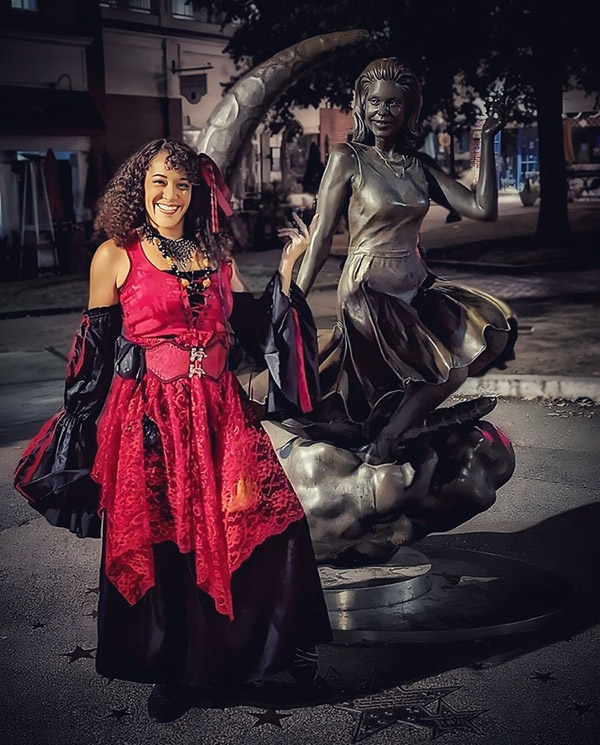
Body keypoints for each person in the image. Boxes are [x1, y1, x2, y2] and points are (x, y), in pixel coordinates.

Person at [14, 138, 331, 723]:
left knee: (266, 521)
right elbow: (94, 350)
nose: (170, 194)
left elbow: (255, 330)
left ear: (196, 192)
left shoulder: (214, 253)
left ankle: (273, 645)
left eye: (183, 184)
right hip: (151, 421)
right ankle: (171, 669)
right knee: (168, 544)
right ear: (141, 185)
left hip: (221, 414)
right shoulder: (115, 255)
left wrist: (288, 272)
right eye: (160, 181)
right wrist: (80, 427)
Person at [292, 58, 516, 461]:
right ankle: (390, 440)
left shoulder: (419, 167)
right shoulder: (348, 158)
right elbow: (322, 235)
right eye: (375, 102)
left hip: (416, 281)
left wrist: (486, 139)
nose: (383, 112)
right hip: (369, 289)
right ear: (361, 105)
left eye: (394, 104)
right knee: (445, 368)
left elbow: (484, 209)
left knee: (478, 336)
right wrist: (291, 302)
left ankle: (399, 431)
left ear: (409, 109)